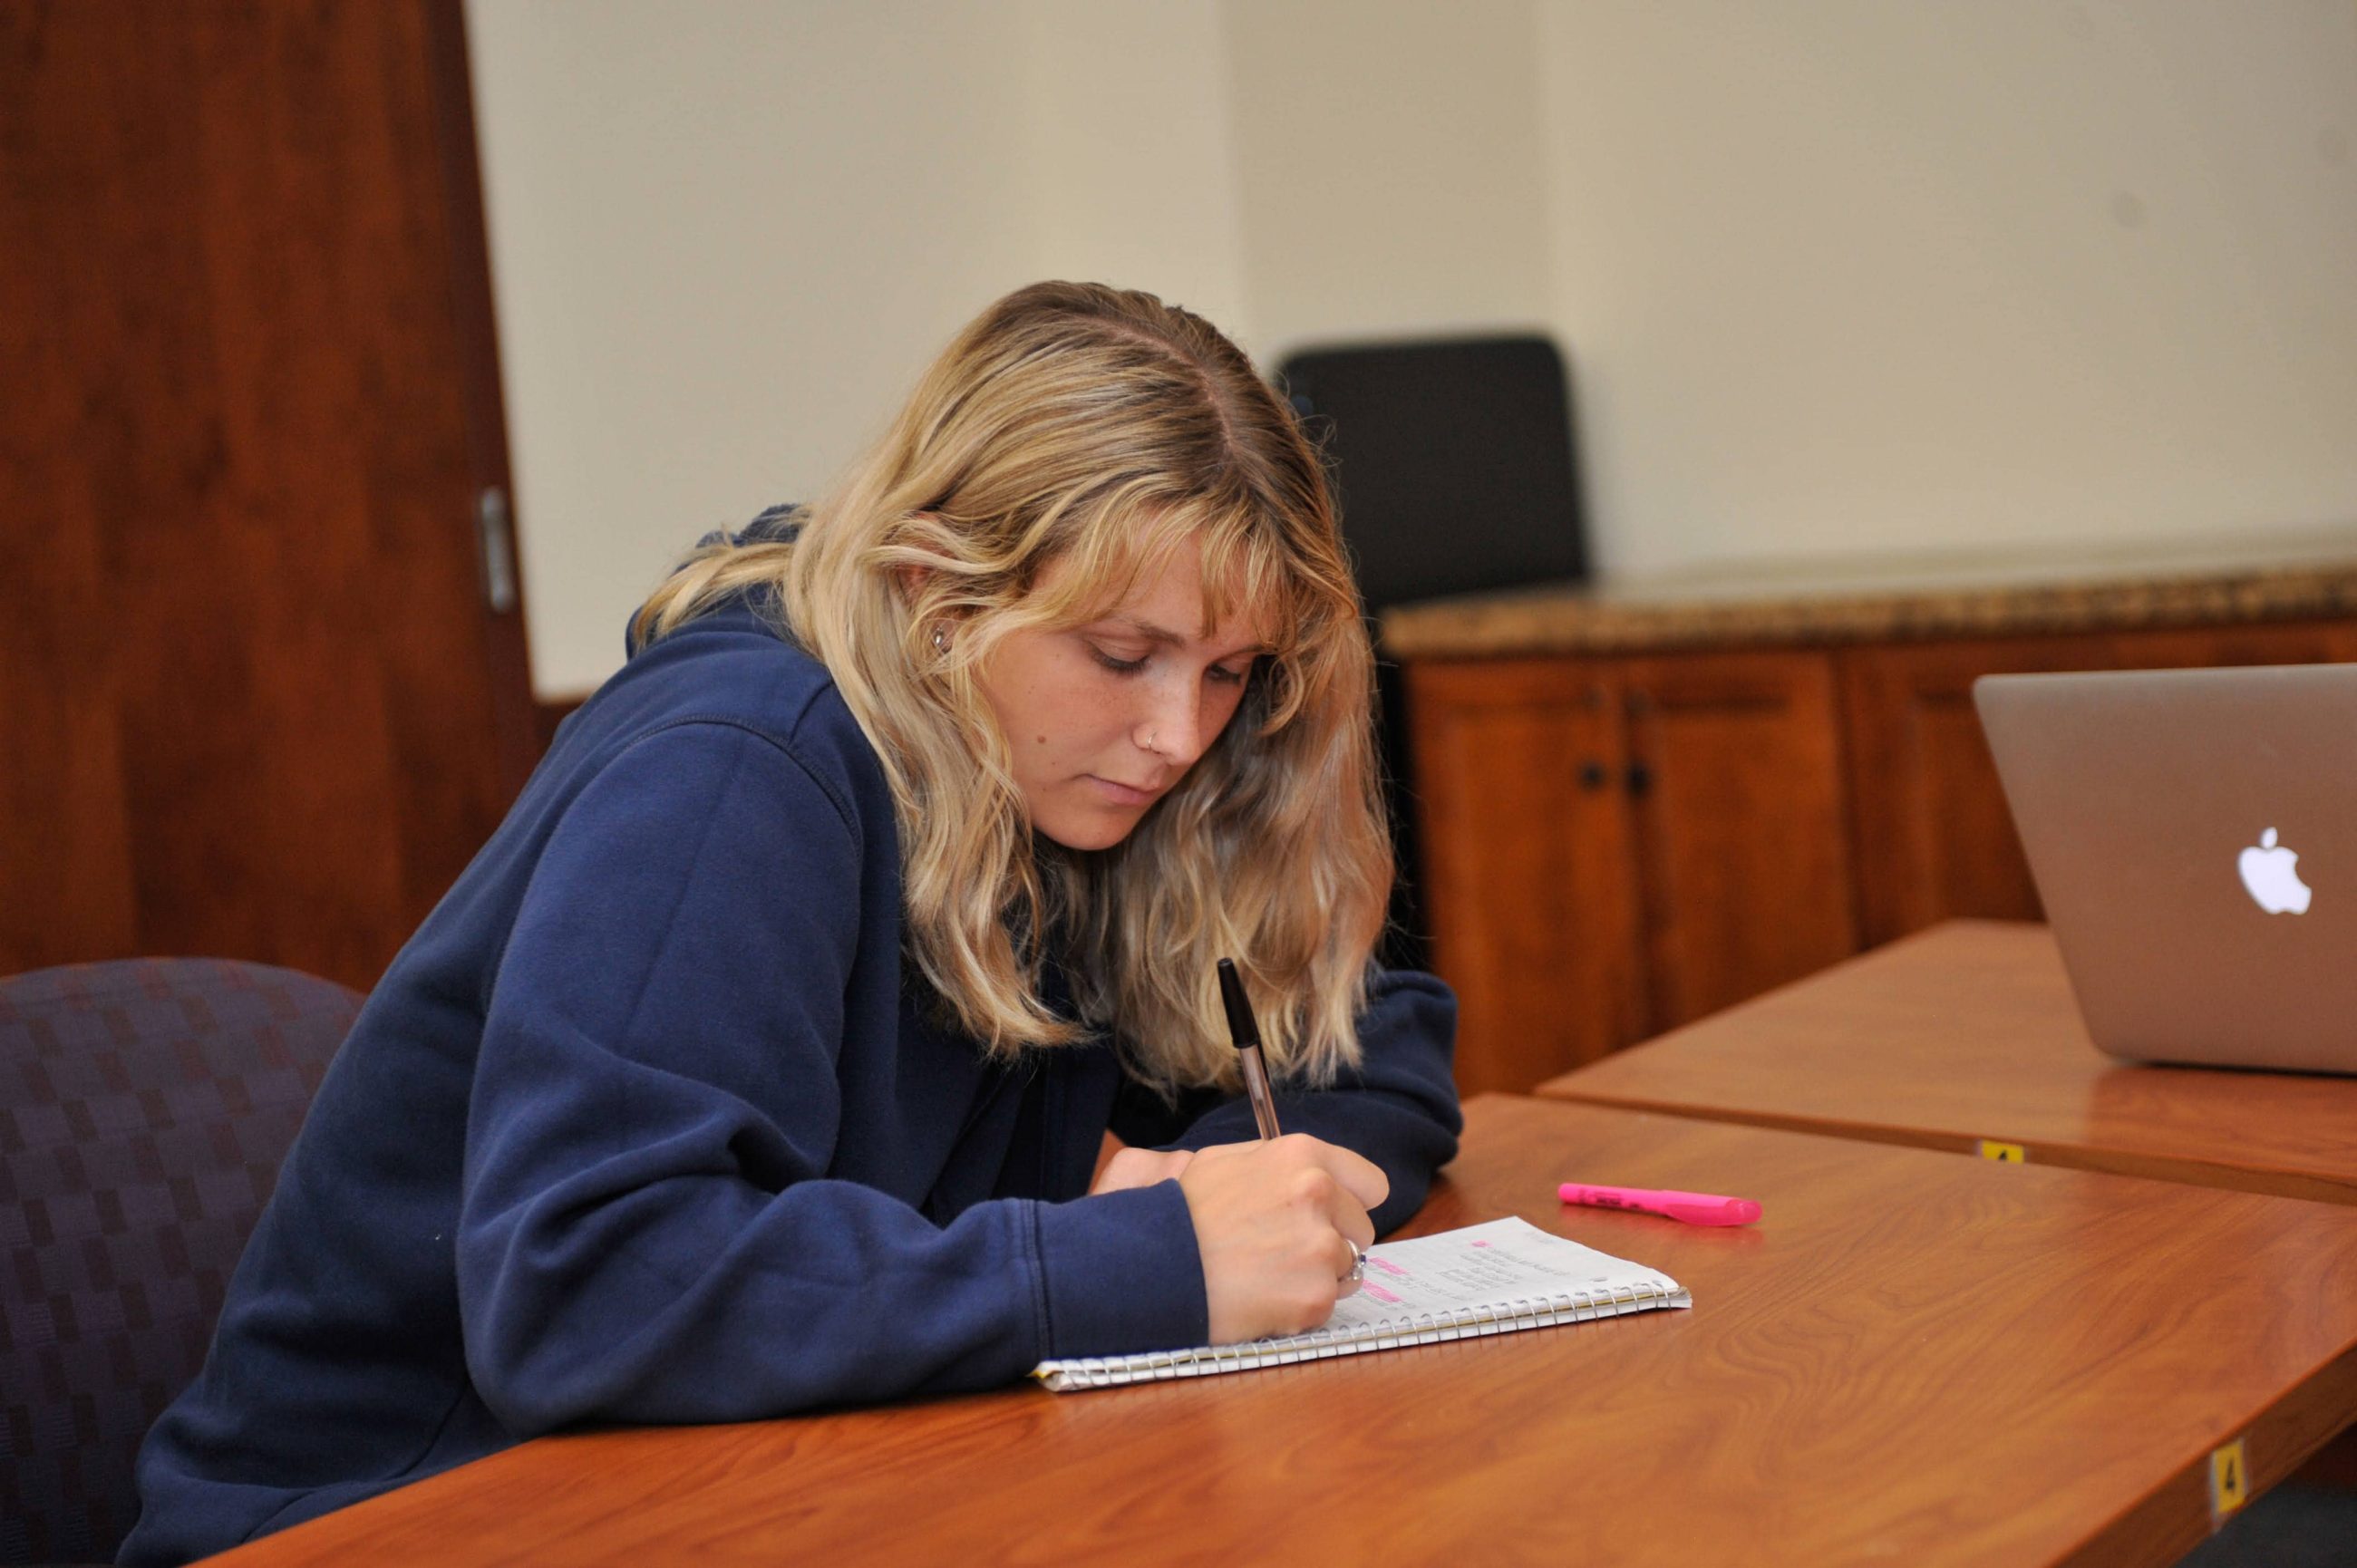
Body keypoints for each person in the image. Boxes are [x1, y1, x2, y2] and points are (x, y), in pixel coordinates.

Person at [121, 281, 1461, 1564]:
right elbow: (592, 1285)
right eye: (1123, 655)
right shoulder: (742, 765)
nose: (1177, 732)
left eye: (1228, 672)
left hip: (742, 1484)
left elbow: (1367, 1029)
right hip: (388, 1518)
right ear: (938, 588)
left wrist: (1222, 1191)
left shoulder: (1074, 775)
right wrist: (1125, 1259)